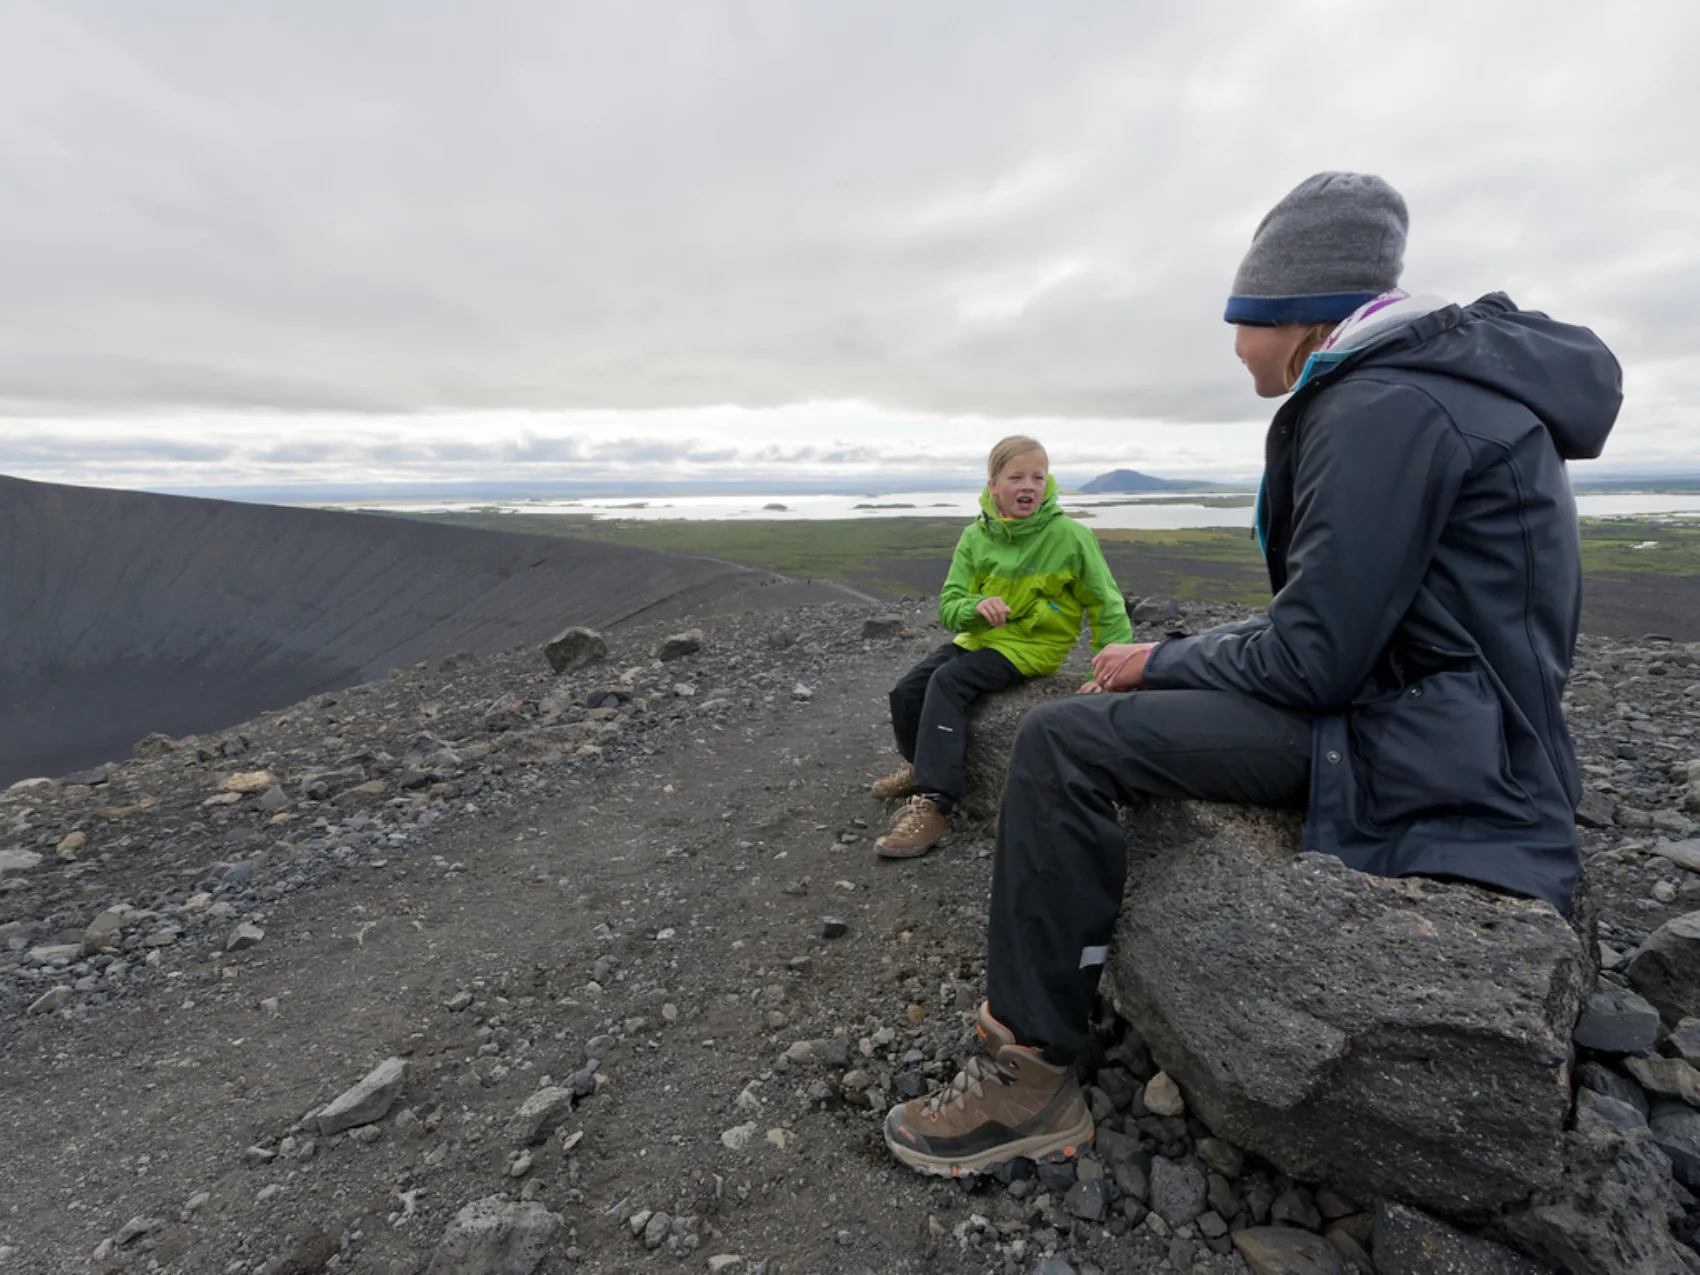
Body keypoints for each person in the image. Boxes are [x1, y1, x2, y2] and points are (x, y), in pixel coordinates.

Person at [883, 171, 1622, 1176]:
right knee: (1129, 703)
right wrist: (1179, 663)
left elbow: (1314, 657)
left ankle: (1029, 1072)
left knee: (1062, 741)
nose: (1232, 346)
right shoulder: (1424, 387)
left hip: (1416, 739)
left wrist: (1167, 659)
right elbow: (1345, 617)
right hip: (1444, 714)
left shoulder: (1380, 408)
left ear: (1290, 311)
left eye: (1239, 318)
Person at [870, 435, 1132, 858]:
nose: (1029, 486)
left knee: (948, 683)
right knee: (906, 691)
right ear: (993, 485)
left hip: (1033, 646)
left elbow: (1107, 606)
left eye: (1038, 477)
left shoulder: (1070, 536)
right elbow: (950, 606)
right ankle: (921, 765)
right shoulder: (975, 537)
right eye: (1016, 477)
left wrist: (1107, 675)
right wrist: (976, 606)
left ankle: (934, 805)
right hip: (978, 638)